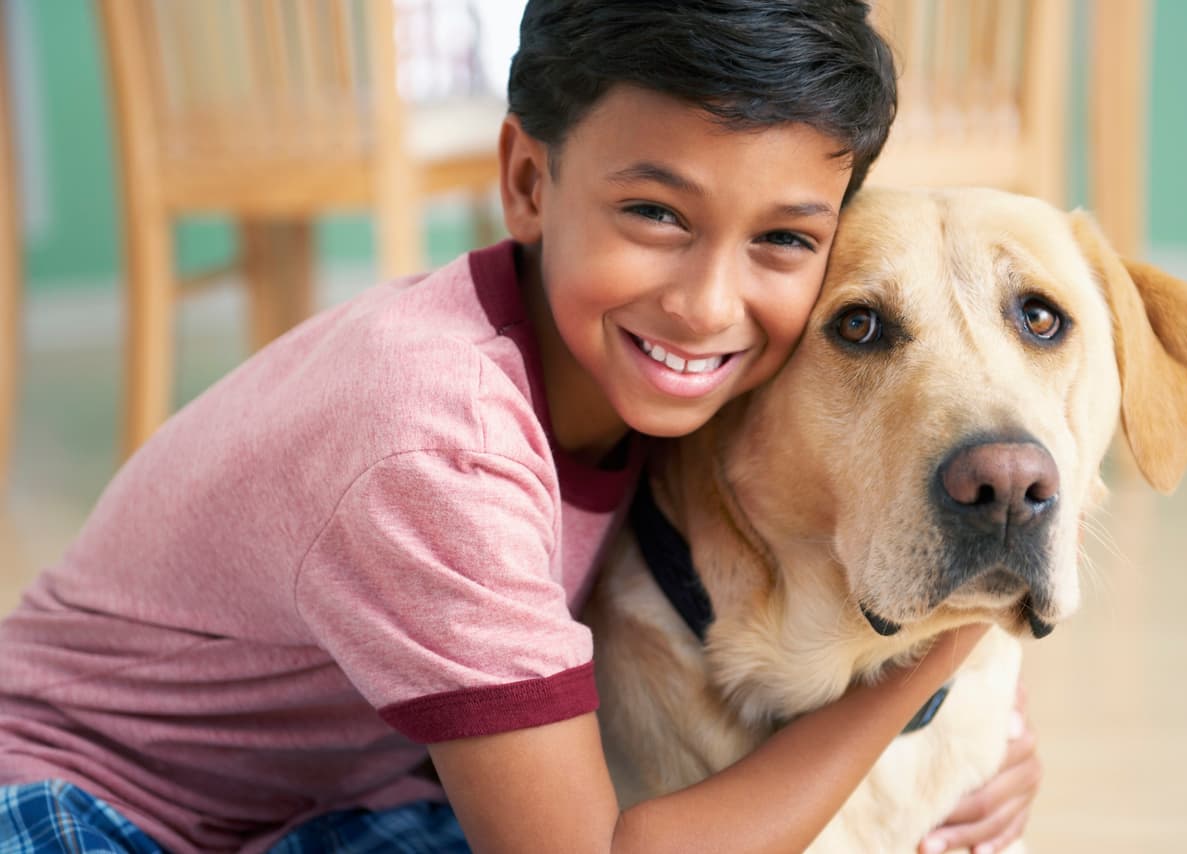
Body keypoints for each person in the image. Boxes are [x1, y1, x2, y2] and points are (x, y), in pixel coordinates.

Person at [0, 2, 1040, 852]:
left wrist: (975, 725)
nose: (705, 304)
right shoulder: (437, 439)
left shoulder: (661, 372)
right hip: (75, 800)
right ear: (527, 182)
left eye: (780, 237)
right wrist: (930, 661)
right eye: (657, 215)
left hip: (327, 801)